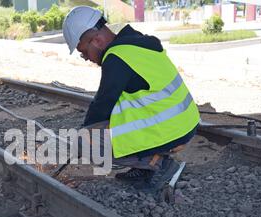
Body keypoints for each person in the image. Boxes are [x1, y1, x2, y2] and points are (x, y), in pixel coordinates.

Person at [62, 6, 200, 185]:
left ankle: (158, 164)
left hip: (172, 132)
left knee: (85, 141)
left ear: (96, 40)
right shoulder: (134, 43)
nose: (86, 58)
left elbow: (102, 106)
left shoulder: (117, 58)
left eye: (83, 52)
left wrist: (83, 137)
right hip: (185, 124)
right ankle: (145, 167)